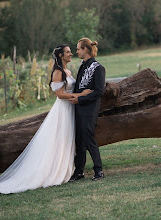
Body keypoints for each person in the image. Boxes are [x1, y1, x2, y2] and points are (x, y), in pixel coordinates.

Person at [0, 44, 92, 194]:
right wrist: (79, 96)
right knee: (59, 139)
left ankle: (67, 167)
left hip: (71, 108)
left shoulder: (67, 70)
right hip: (63, 109)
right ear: (61, 55)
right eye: (68, 52)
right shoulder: (58, 72)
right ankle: (54, 170)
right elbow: (59, 95)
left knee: (67, 139)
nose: (71, 54)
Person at [68, 38, 106, 181]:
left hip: (89, 110)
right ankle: (79, 172)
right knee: (79, 141)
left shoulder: (98, 68)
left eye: (78, 49)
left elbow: (98, 92)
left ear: (85, 50)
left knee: (89, 139)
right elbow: (79, 88)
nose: (76, 51)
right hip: (78, 108)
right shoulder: (83, 66)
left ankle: (99, 170)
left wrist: (81, 99)